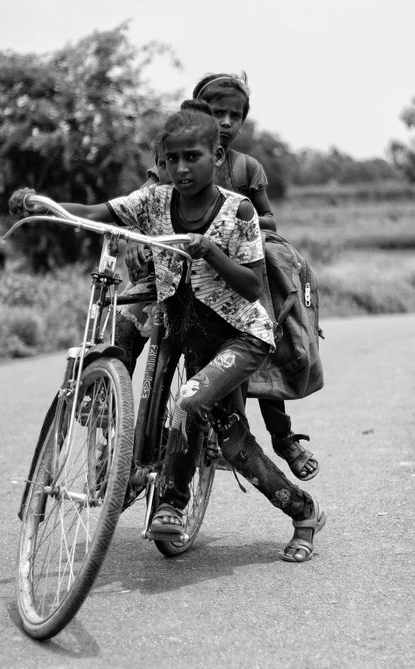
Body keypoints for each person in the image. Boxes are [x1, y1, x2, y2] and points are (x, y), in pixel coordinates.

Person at [9, 103, 325, 562]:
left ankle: (173, 502)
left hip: (239, 337)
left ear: (216, 156)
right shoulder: (154, 201)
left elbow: (253, 286)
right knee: (235, 444)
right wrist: (44, 204)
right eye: (171, 159)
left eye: (191, 157)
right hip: (186, 333)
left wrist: (211, 252)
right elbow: (100, 211)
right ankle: (303, 510)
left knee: (191, 399)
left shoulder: (238, 212)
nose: (180, 168)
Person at [130, 73, 319, 483]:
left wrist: (240, 213)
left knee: (264, 337)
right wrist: (136, 242)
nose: (228, 121)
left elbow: (267, 216)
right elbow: (140, 204)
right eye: (218, 113)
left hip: (232, 268)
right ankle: (109, 412)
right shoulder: (173, 160)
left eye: (236, 115)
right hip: (172, 267)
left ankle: (281, 436)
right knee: (127, 323)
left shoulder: (247, 167)